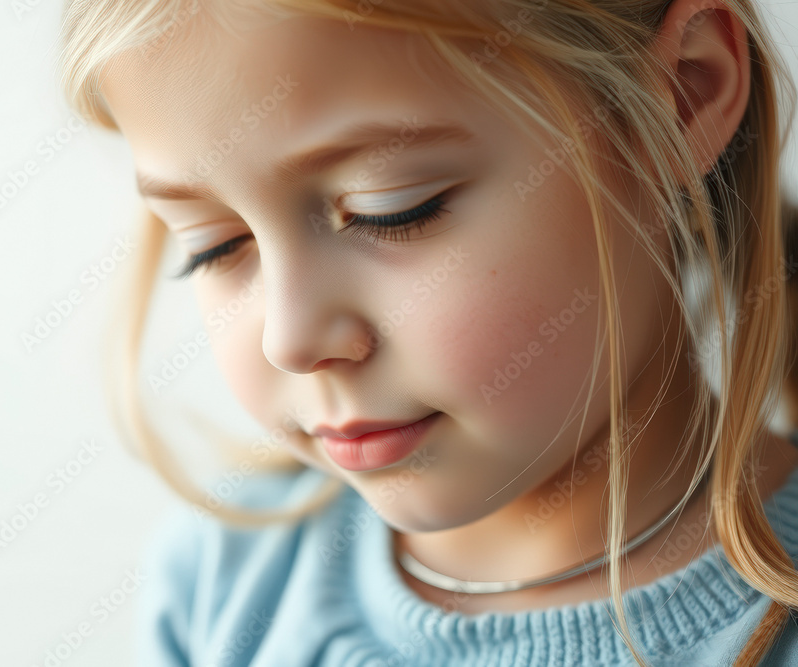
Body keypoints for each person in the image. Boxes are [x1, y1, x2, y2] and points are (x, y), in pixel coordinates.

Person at [56, 0, 798, 664]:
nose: (290, 339)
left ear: (682, 96)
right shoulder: (221, 577)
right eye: (214, 245)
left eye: (392, 208)